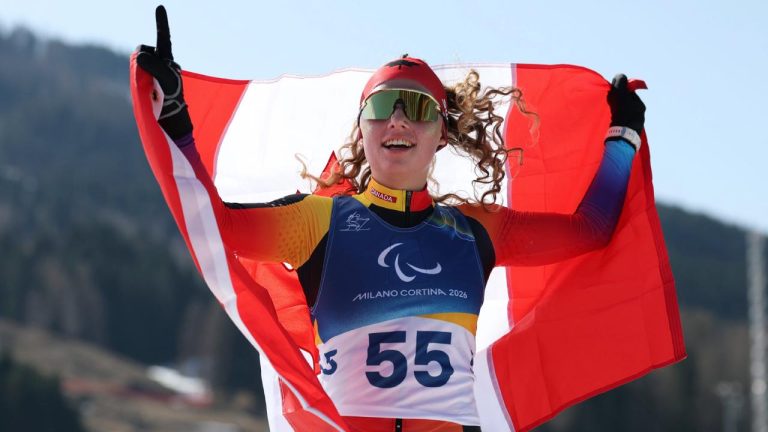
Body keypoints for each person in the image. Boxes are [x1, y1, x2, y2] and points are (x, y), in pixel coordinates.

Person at [136, 6, 644, 432]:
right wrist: (177, 123)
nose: (398, 119)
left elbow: (592, 229)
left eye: (417, 108)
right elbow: (214, 226)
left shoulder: (475, 231)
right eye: (382, 106)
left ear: (440, 133)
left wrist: (623, 135)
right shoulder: (319, 221)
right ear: (362, 129)